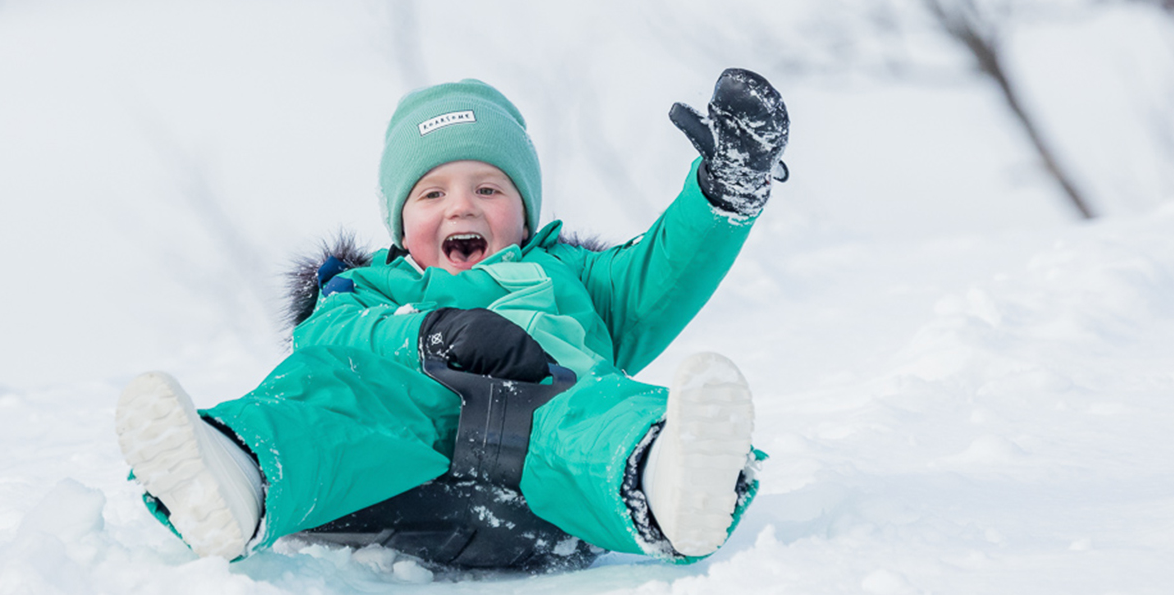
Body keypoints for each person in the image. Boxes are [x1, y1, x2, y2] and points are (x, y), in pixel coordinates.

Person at [115, 73, 790, 565]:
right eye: (432, 192)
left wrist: (723, 193)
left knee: (594, 407)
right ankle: (240, 474)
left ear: (525, 213)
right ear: (400, 222)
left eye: (489, 189)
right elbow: (326, 336)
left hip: (540, 455)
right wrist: (429, 334)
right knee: (327, 390)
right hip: (387, 468)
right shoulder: (371, 284)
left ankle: (663, 478)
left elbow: (662, 273)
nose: (461, 208)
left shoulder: (569, 276)